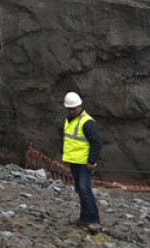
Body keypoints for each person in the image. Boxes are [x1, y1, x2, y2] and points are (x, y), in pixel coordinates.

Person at [62, 91, 102, 230]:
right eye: (70, 109)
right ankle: (84, 217)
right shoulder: (69, 120)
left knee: (85, 189)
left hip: (85, 163)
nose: (72, 111)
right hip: (75, 161)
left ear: (80, 106)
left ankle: (94, 220)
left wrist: (91, 161)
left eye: (74, 108)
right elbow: (69, 139)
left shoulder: (87, 122)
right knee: (79, 189)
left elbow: (96, 142)